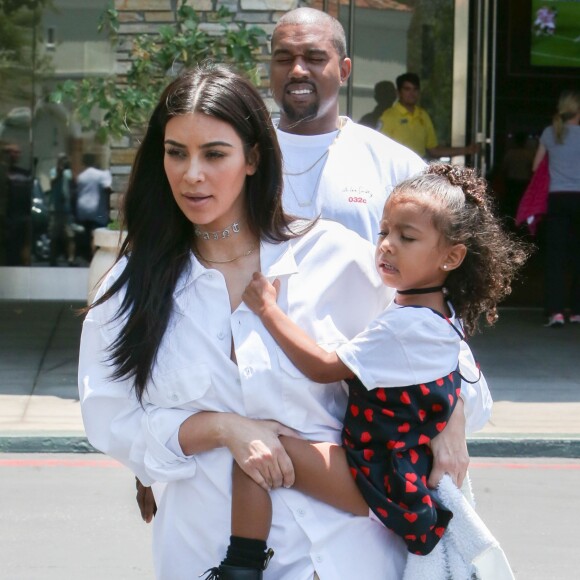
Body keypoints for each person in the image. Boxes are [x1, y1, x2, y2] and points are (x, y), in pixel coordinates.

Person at [78, 64, 492, 580]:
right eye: (176, 152)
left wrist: (449, 420)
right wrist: (221, 428)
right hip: (208, 552)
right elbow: (110, 419)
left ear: (253, 157)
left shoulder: (340, 258)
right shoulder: (130, 287)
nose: (192, 174)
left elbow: (444, 357)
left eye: (214, 153)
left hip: (348, 555)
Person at [201, 164, 525, 579]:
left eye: (406, 237)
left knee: (260, 453)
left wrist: (266, 310)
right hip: (395, 467)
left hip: (379, 474)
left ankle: (239, 569)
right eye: (384, 232)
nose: (388, 246)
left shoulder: (406, 328)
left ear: (453, 256)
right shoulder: (439, 317)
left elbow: (321, 367)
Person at [532, 89, 580, 327]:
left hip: (557, 199)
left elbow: (535, 166)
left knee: (555, 258)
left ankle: (556, 311)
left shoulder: (551, 133)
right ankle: (578, 309)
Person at [377, 73, 480, 160]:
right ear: (398, 92)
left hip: (418, 173)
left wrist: (467, 150)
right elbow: (379, 149)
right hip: (396, 172)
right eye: (407, 89)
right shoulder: (388, 117)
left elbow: (434, 150)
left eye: (415, 89)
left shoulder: (423, 115)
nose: (411, 93)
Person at [75, 152, 112, 260]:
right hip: (96, 209)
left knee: (86, 232)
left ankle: (86, 255)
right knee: (95, 233)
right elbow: (108, 187)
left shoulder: (81, 176)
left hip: (82, 208)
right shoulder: (100, 175)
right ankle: (93, 256)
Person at [47, 153, 76, 266]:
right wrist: (59, 173)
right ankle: (52, 258)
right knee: (53, 236)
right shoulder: (53, 171)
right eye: (61, 160)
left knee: (70, 235)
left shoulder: (68, 173)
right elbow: (52, 182)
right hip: (55, 210)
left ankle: (71, 258)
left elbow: (72, 183)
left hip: (66, 209)